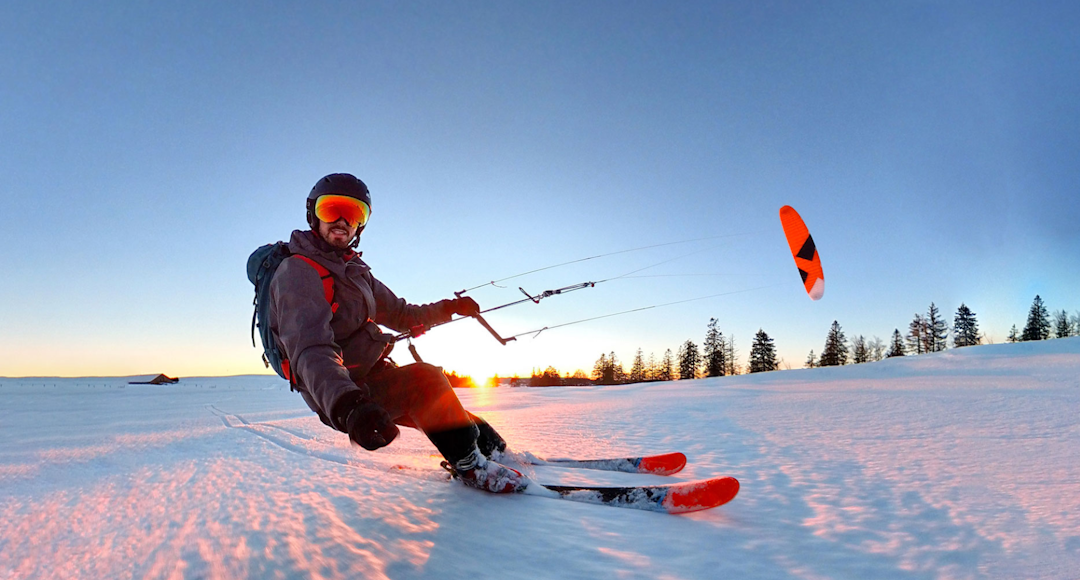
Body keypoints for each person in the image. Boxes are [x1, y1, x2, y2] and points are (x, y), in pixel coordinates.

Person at [269, 173, 526, 493]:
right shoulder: (298, 272)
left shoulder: (354, 272)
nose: (342, 221)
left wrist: (450, 307)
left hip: (371, 376)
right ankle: (472, 468)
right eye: (331, 209)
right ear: (313, 215)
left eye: (354, 213)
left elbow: (403, 314)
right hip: (341, 394)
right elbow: (311, 349)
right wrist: (349, 405)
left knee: (453, 414)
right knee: (426, 382)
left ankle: (497, 453)